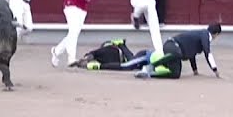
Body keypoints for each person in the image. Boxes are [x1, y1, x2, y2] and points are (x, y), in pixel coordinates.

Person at [84, 24, 223, 78]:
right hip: (165, 50)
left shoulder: (198, 37)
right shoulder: (205, 35)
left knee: (176, 75)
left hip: (168, 52)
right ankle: (96, 66)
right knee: (126, 66)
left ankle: (123, 46)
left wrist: (195, 71)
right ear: (216, 34)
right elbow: (207, 52)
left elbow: (192, 53)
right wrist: (215, 70)